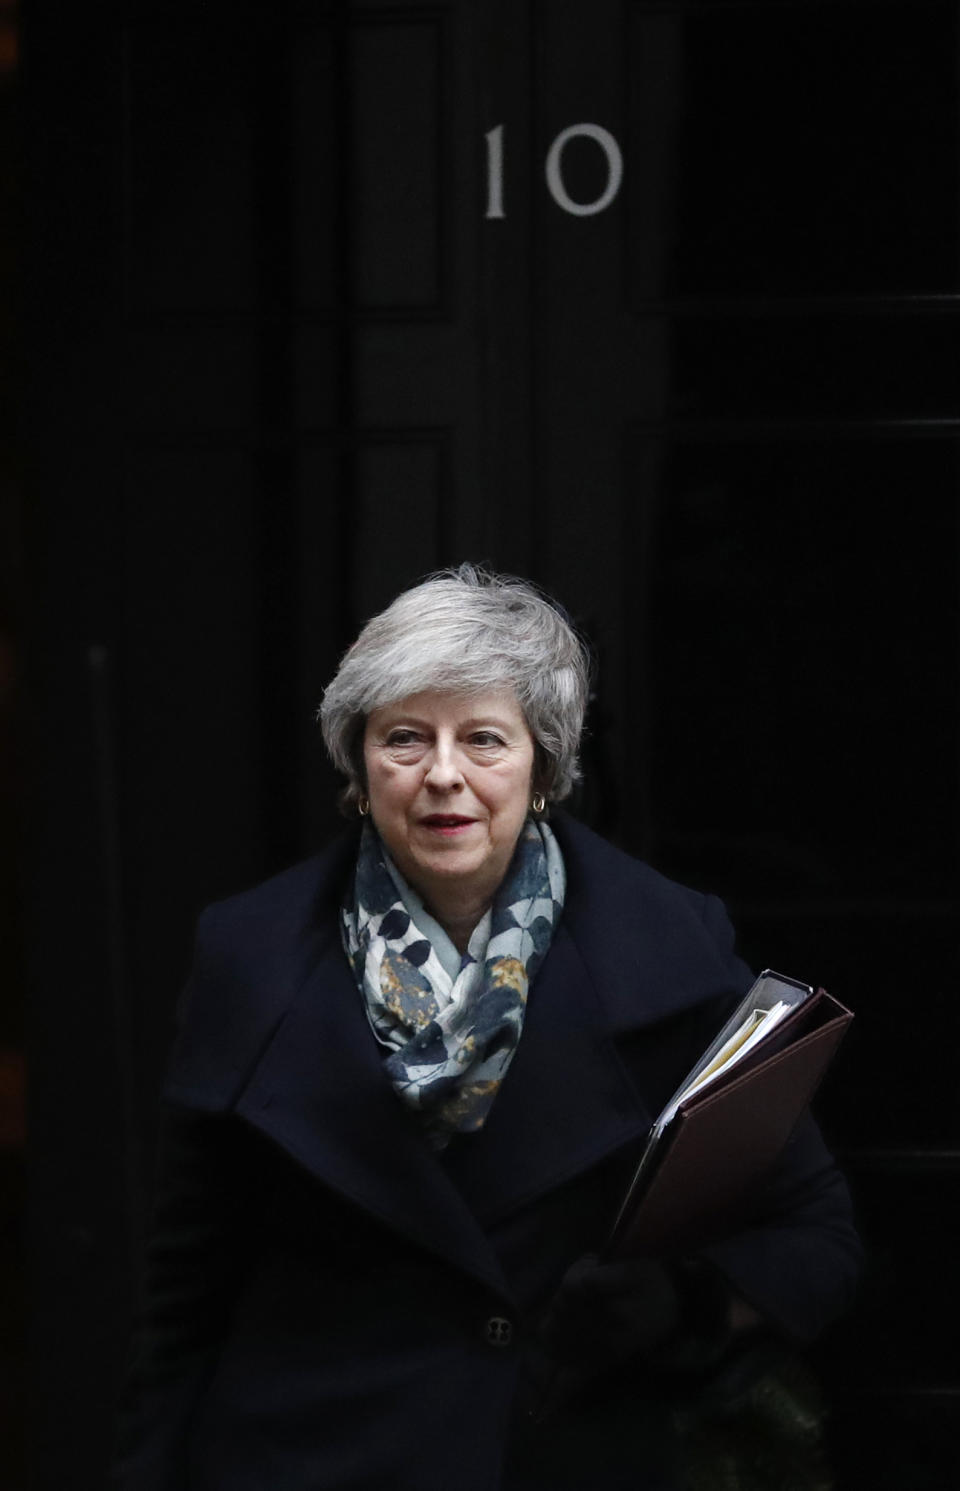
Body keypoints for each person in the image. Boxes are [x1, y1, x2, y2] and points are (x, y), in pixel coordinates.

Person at [115, 565, 860, 1491]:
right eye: (403, 738)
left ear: (542, 765)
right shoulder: (249, 954)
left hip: (566, 1454)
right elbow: (187, 1288)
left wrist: (677, 1303)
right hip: (308, 1456)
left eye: (482, 739)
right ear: (359, 766)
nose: (442, 775)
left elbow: (816, 1234)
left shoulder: (669, 945)